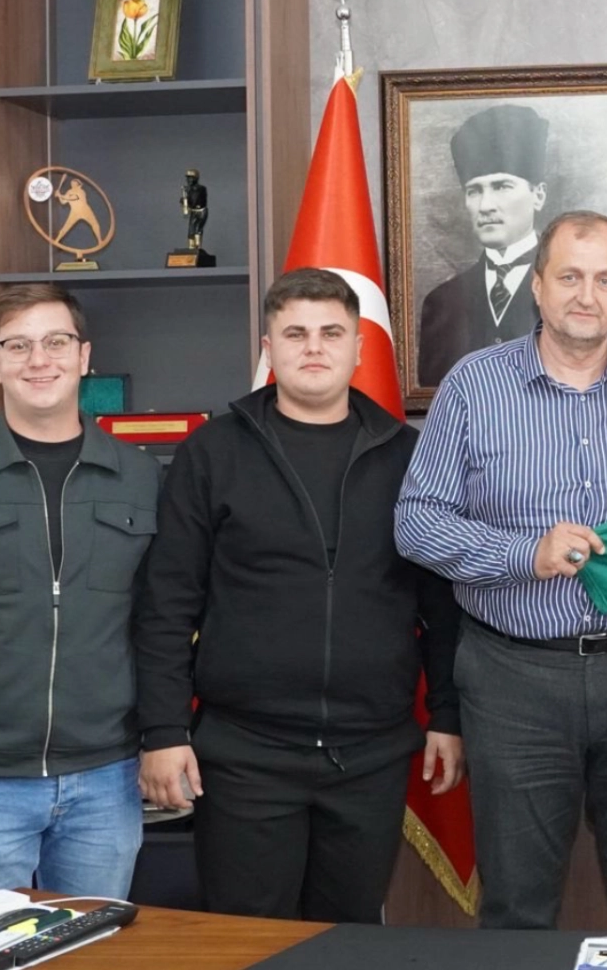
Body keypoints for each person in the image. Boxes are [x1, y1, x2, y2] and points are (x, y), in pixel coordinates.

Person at [396, 210, 607, 930]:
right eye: (570, 276)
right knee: (517, 906)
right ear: (537, 286)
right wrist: (526, 555)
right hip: (515, 680)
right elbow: (416, 523)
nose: (587, 295)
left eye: (605, 279)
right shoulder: (473, 387)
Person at [135, 268, 463, 923]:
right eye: (295, 333)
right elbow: (167, 603)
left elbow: (442, 604)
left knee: (347, 940)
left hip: (370, 754)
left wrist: (448, 717)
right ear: (269, 347)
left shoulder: (410, 456)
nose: (313, 347)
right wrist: (163, 731)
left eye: (331, 333)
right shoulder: (212, 452)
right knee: (247, 942)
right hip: (245, 754)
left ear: (359, 348)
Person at [0, 284, 162, 901]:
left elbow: (158, 622)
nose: (39, 360)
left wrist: (163, 735)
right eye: (17, 346)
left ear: (84, 356)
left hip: (106, 776)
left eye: (56, 342)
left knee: (94, 947)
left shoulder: (141, 478)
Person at [417, 103, 550, 386]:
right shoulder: (442, 303)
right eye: (474, 191)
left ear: (538, 195)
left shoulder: (569, 293)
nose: (486, 205)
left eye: (502, 187)